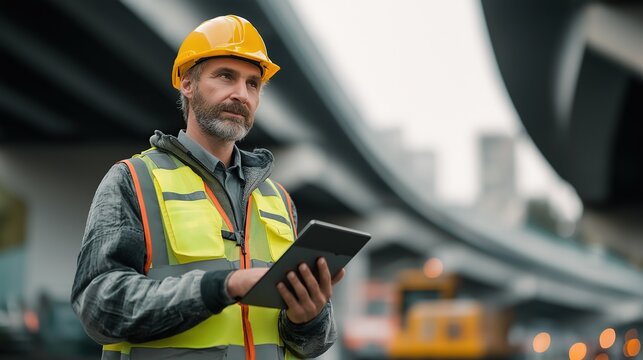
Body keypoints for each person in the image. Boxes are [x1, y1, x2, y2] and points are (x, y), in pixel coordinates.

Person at [71, 14, 344, 360]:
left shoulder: (279, 200)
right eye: (226, 76)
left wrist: (307, 319)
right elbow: (99, 307)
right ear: (187, 83)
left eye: (252, 84)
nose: (240, 94)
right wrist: (221, 287)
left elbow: (313, 343)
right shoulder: (134, 180)